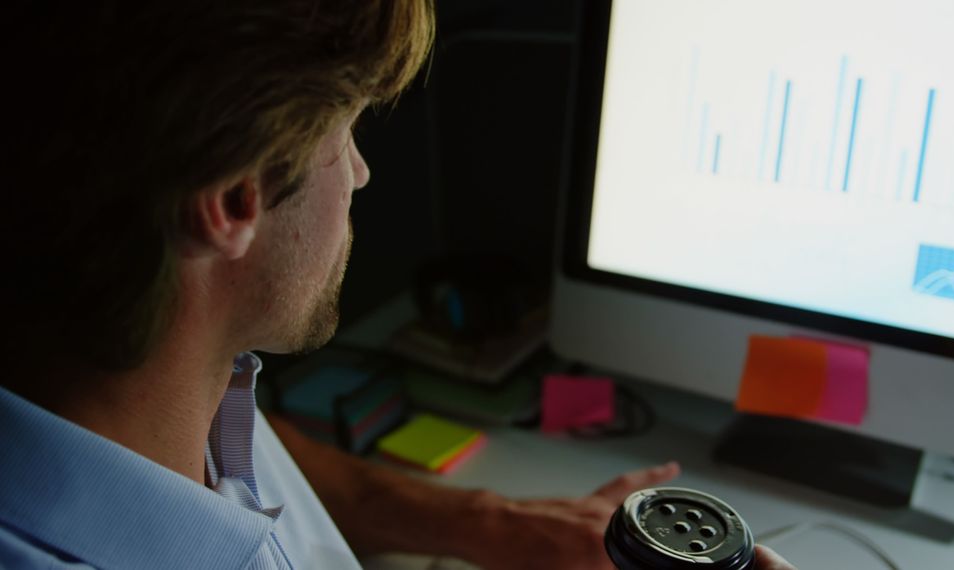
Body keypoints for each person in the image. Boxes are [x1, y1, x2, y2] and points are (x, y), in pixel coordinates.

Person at [0, 1, 794, 569]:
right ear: (234, 199)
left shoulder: (173, 391)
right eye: (344, 129)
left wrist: (491, 523)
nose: (361, 171)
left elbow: (253, 478)